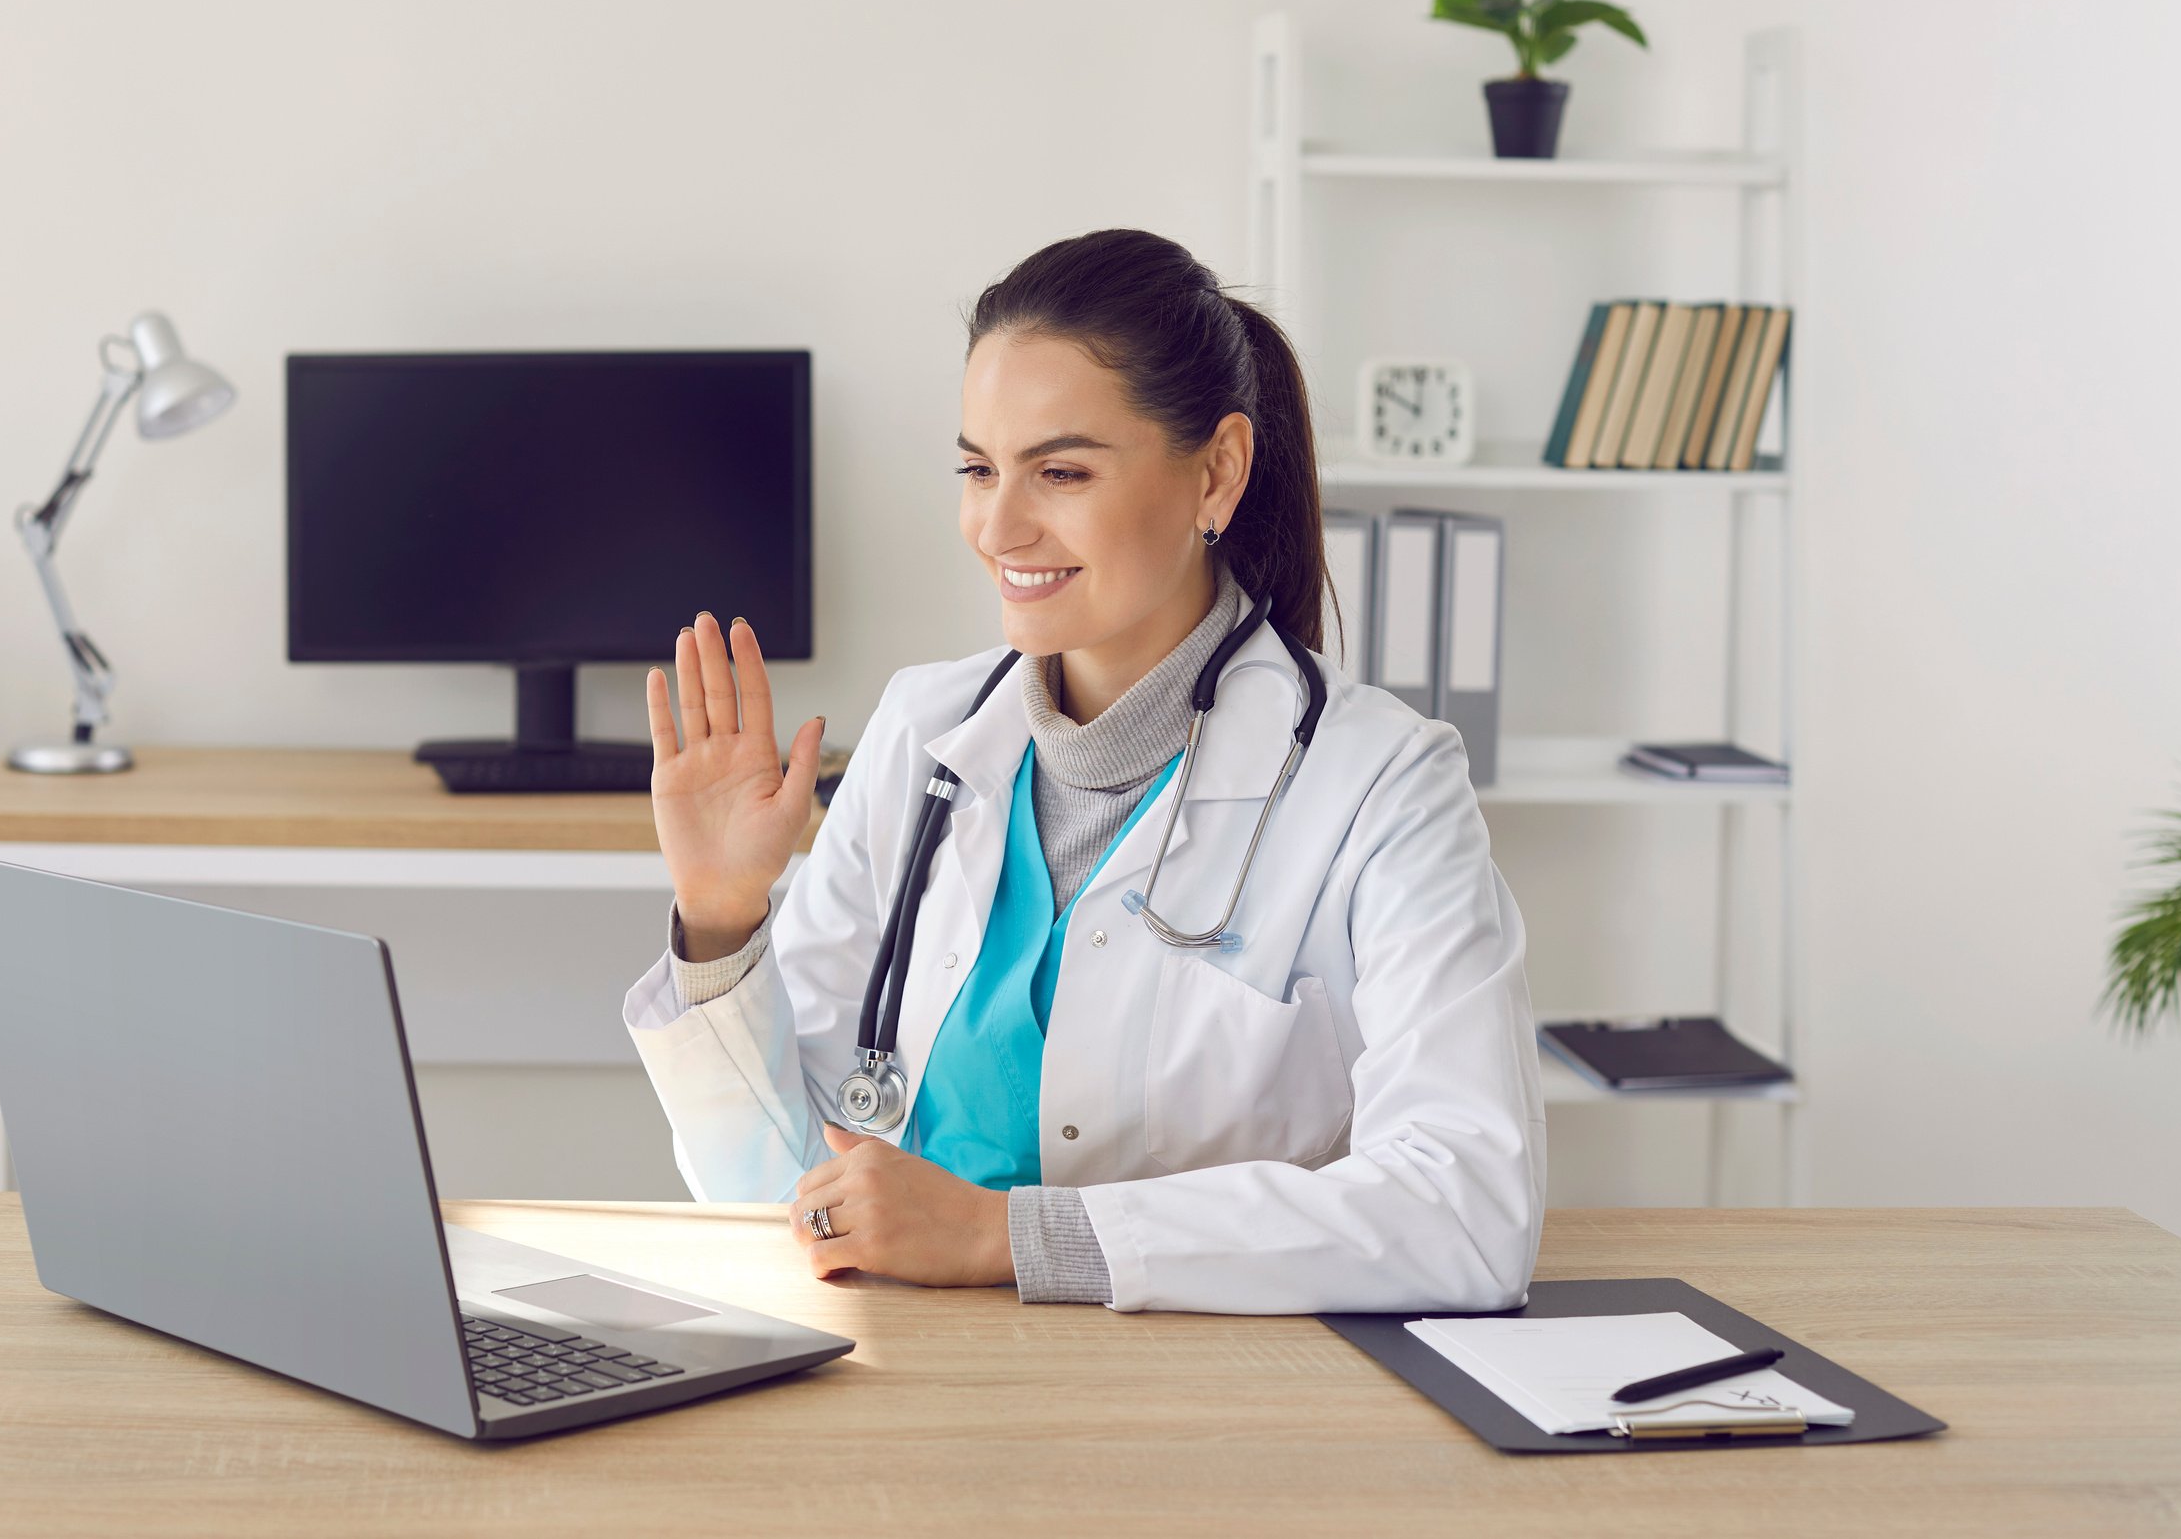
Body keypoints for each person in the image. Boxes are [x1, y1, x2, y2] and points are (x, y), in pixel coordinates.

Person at [623, 229, 1544, 1314]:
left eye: (1059, 471)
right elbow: (784, 1188)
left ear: (1216, 472)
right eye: (976, 468)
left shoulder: (1381, 783)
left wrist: (1009, 1235)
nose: (996, 524)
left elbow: (1468, 1211)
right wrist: (722, 923)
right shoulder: (926, 732)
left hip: (1207, 1413)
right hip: (907, 1376)